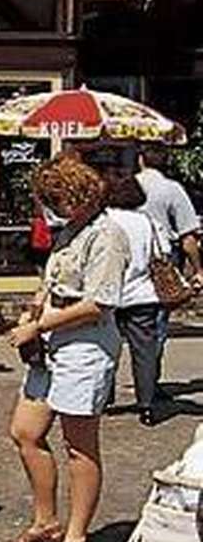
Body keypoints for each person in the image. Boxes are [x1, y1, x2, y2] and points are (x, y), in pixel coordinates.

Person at [5, 155, 130, 542]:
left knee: (79, 444)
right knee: (25, 431)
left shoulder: (107, 234)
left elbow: (98, 302)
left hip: (85, 345)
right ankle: (46, 521)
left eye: (58, 200)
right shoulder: (70, 231)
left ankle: (77, 537)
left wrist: (38, 325)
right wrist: (33, 311)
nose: (53, 209)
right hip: (53, 341)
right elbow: (50, 281)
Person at [99, 166, 167, 427]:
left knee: (105, 348)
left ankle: (105, 397)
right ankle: (147, 405)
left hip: (109, 294)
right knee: (145, 351)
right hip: (143, 294)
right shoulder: (147, 221)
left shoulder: (104, 220)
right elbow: (162, 251)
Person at [137, 145, 202, 279]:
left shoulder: (126, 186)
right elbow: (188, 236)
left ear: (140, 160)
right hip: (165, 260)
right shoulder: (172, 189)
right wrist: (198, 270)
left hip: (132, 257)